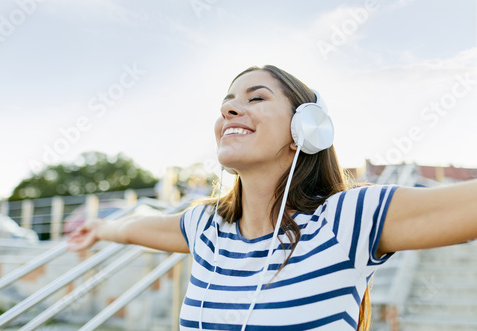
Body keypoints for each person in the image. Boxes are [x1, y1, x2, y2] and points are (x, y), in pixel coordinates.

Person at [67, 65, 477, 331]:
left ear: (307, 129)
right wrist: (99, 228)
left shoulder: (347, 219)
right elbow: (135, 227)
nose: (230, 111)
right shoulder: (206, 227)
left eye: (255, 98)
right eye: (226, 103)